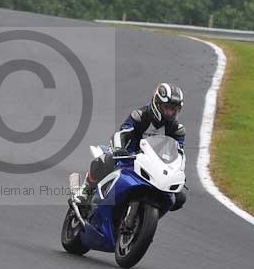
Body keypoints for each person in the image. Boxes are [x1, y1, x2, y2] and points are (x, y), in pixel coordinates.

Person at [71, 82, 188, 212]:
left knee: (179, 197)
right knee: (105, 160)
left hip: (156, 168)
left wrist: (178, 172)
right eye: (167, 108)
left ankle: (145, 215)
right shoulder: (140, 116)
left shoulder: (177, 130)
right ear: (157, 104)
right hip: (129, 158)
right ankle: (85, 191)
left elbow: (179, 154)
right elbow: (122, 133)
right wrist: (118, 149)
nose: (171, 113)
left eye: (174, 110)